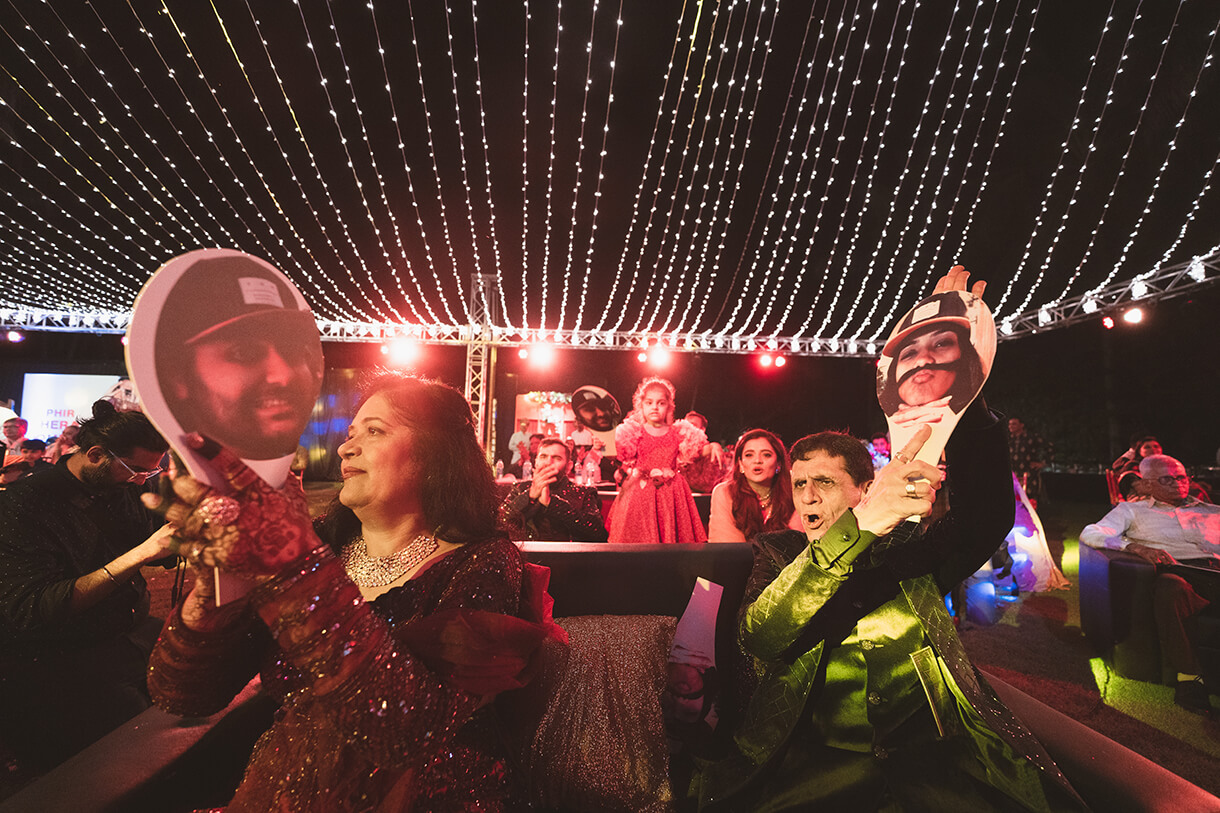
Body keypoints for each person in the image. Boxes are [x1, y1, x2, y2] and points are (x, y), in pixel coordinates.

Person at [697, 268, 1083, 812]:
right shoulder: (779, 553)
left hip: (931, 769)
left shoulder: (908, 554)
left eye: (825, 482)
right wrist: (855, 532)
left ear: (864, 489)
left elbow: (984, 516)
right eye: (800, 484)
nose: (808, 496)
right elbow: (762, 635)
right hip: (810, 771)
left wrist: (965, 391)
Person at [146, 374, 563, 810]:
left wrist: (292, 562)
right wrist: (214, 591)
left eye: (375, 431)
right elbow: (184, 694)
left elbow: (407, 729)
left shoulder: (482, 560)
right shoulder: (320, 546)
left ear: (437, 454)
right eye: (350, 433)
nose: (346, 448)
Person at [0, 401, 174, 771]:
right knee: (126, 761)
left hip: (129, 634)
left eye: (152, 471)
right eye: (137, 470)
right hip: (62, 658)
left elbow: (149, 539)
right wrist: (142, 553)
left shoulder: (123, 485)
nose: (142, 479)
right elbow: (33, 607)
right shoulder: (23, 505)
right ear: (95, 454)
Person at [1080, 454, 1220, 715]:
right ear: (1146, 484)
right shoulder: (1132, 510)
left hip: (1216, 571)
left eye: (1182, 477)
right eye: (1168, 479)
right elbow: (1091, 533)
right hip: (1179, 572)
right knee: (1170, 589)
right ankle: (1190, 679)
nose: (1178, 483)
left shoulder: (1211, 510)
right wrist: (1134, 547)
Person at [154, 253, 324, 461]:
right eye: (244, 353)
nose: (283, 375)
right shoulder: (174, 479)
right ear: (177, 376)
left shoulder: (296, 480)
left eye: (292, 350)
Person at [607, 377, 708, 544]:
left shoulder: (678, 432)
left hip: (671, 493)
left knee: (671, 537)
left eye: (661, 403)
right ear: (641, 405)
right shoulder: (634, 432)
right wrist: (602, 447)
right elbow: (617, 454)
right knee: (636, 538)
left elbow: (699, 449)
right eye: (649, 402)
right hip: (640, 493)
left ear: (669, 406)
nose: (655, 407)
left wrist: (714, 446)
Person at [876, 292, 987, 431]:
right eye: (909, 353)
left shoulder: (983, 428)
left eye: (941, 344)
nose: (922, 360)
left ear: (965, 353)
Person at [499, 437, 608, 542]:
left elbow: (599, 533)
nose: (548, 462)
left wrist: (552, 503)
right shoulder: (520, 488)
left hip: (568, 554)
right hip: (526, 554)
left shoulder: (583, 493)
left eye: (557, 458)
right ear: (536, 462)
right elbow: (498, 523)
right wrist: (529, 496)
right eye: (543, 457)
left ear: (569, 466)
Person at [707, 429, 801, 543]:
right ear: (741, 464)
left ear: (778, 464)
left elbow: (799, 543)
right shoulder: (725, 492)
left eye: (766, 455)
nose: (757, 460)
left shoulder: (795, 490)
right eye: (749, 455)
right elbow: (728, 547)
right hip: (741, 555)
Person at [1008, 417, 1052, 504]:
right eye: (1009, 424)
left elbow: (1049, 447)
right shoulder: (1008, 439)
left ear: (1021, 425)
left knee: (1029, 501)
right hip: (1012, 475)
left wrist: (1042, 463)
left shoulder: (1031, 437)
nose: (1011, 426)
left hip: (1028, 475)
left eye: (1014, 424)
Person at [681, 411, 727, 493]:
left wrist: (694, 456)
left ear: (702, 429)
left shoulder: (712, 452)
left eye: (693, 425)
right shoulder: (675, 448)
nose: (688, 429)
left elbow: (707, 485)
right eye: (685, 425)